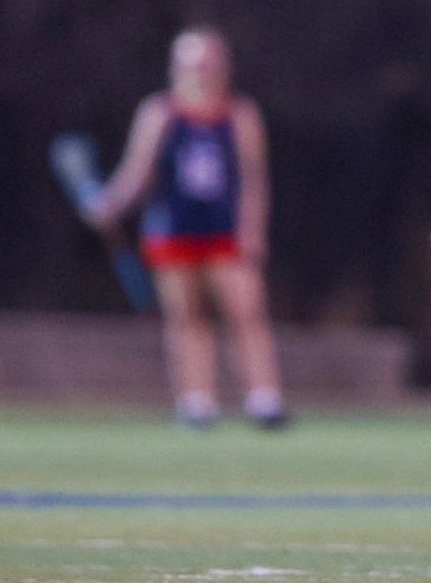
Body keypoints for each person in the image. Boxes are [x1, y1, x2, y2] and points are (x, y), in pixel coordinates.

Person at [82, 27, 287, 430]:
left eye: (208, 65)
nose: (201, 74)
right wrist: (110, 204)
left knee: (247, 313)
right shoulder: (159, 113)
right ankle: (196, 401)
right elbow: (136, 173)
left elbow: (253, 179)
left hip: (225, 229)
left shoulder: (239, 114)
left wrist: (253, 228)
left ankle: (264, 399)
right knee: (186, 319)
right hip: (173, 228)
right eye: (192, 66)